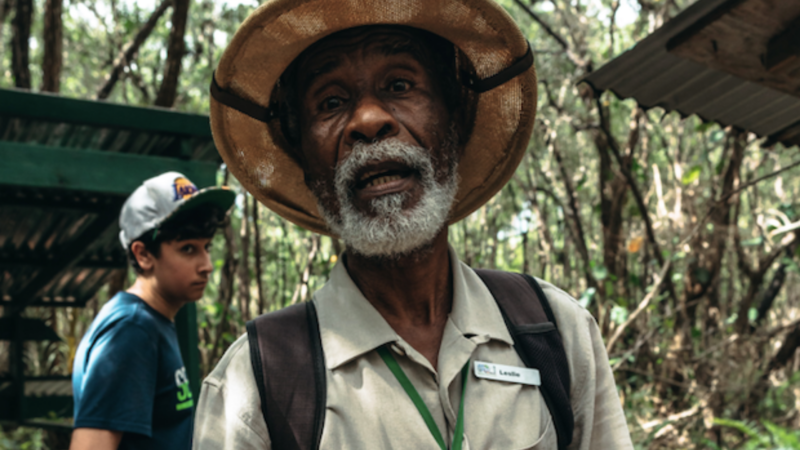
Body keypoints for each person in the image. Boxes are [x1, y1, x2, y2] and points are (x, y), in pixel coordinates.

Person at [194, 0, 634, 448]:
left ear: (456, 119)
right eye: (330, 102)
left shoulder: (556, 332)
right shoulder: (255, 385)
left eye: (400, 85)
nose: (368, 121)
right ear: (302, 157)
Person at [70, 172, 234, 450]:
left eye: (207, 247)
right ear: (143, 254)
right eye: (188, 249)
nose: (206, 265)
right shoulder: (132, 330)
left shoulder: (152, 322)